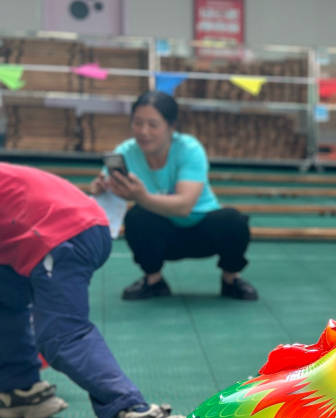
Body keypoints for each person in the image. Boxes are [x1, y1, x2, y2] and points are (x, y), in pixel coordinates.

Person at [0, 163, 184, 418]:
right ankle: (20, 387)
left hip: (58, 233)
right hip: (73, 224)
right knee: (6, 296)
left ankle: (136, 414)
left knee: (61, 334)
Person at [89, 91, 258, 300]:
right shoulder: (126, 151)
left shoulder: (190, 149)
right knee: (137, 218)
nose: (143, 131)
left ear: (171, 127)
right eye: (138, 123)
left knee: (234, 222)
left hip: (203, 229)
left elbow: (184, 205)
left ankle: (231, 279)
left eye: (153, 124)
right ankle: (154, 280)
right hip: (163, 233)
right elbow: (104, 183)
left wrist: (141, 196)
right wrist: (100, 188)